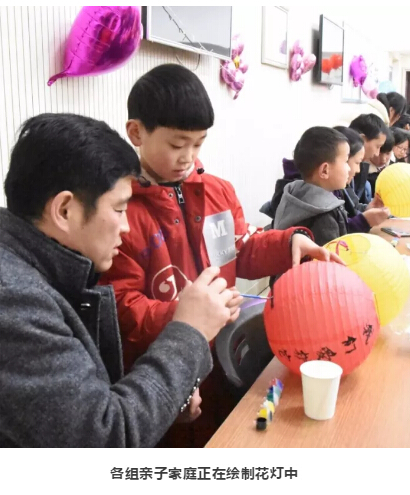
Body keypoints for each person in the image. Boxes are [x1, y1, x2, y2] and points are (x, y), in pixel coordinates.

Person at [0, 114, 238, 447]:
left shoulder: (40, 271)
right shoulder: (4, 304)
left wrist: (169, 394)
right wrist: (189, 331)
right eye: (119, 210)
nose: (126, 227)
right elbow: (108, 439)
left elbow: (89, 398)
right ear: (65, 211)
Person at [99, 64, 339, 448]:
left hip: (221, 354)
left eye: (198, 144)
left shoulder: (217, 192)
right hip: (160, 368)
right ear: (137, 133)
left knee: (229, 437)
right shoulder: (120, 210)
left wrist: (288, 242)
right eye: (177, 145)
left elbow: (240, 250)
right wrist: (188, 316)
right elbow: (121, 308)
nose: (188, 157)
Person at [273, 127, 389, 247]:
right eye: (345, 161)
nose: (350, 168)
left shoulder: (294, 192)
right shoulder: (323, 216)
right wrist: (364, 221)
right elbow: (335, 253)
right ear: (325, 170)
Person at [348, 113, 388, 202]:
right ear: (362, 139)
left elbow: (355, 206)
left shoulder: (362, 166)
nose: (377, 153)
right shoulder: (343, 172)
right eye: (377, 146)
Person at [367, 127, 394, 193]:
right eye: (379, 154)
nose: (383, 160)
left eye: (388, 153)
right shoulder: (361, 172)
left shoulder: (394, 168)